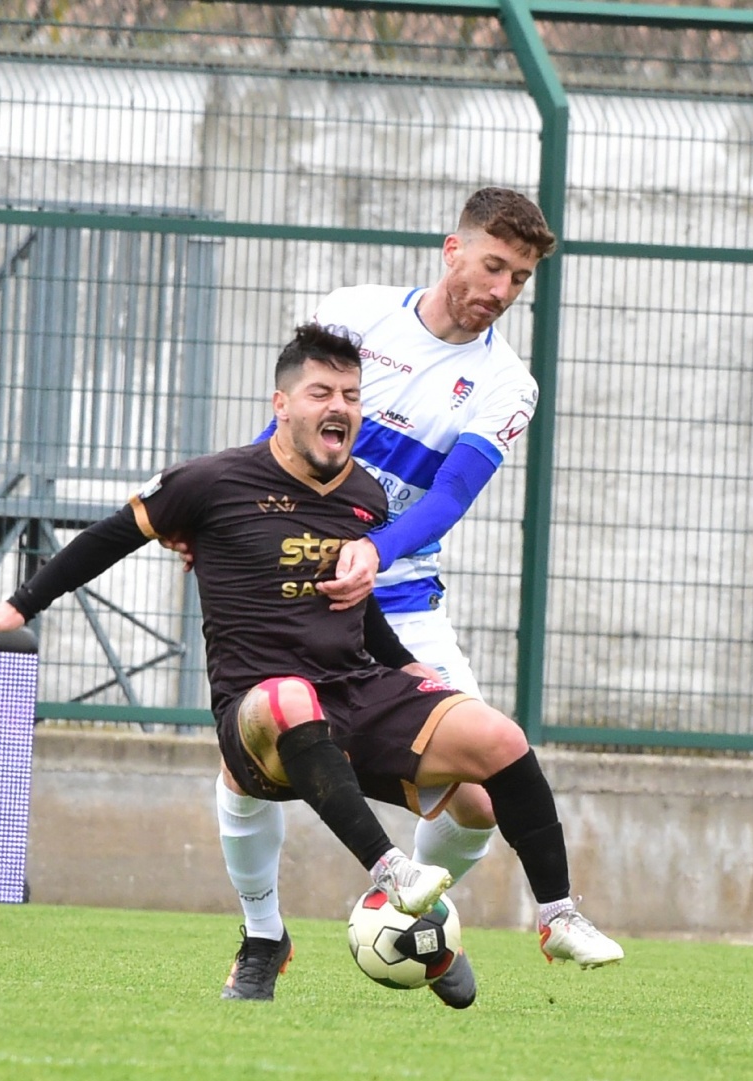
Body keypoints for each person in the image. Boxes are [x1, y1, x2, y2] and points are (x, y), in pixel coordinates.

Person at [0, 323, 623, 1005]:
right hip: (259, 708)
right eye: (321, 392)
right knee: (290, 698)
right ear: (281, 404)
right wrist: (19, 604)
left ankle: (555, 916)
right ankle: (374, 883)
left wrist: (404, 665)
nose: (340, 407)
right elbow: (107, 539)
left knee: (497, 747)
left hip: (355, 688)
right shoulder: (211, 481)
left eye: (353, 395)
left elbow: (356, 608)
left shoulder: (366, 493)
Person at [208, 188, 565, 1004]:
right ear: (453, 251)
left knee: (480, 791)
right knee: (249, 763)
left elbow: (447, 499)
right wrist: (229, 524)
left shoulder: (509, 383)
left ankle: (400, 913)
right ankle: (263, 936)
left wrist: (374, 550)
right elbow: (287, 432)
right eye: (493, 267)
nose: (502, 290)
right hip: (292, 588)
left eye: (519, 279)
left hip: (403, 602)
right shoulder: (355, 316)